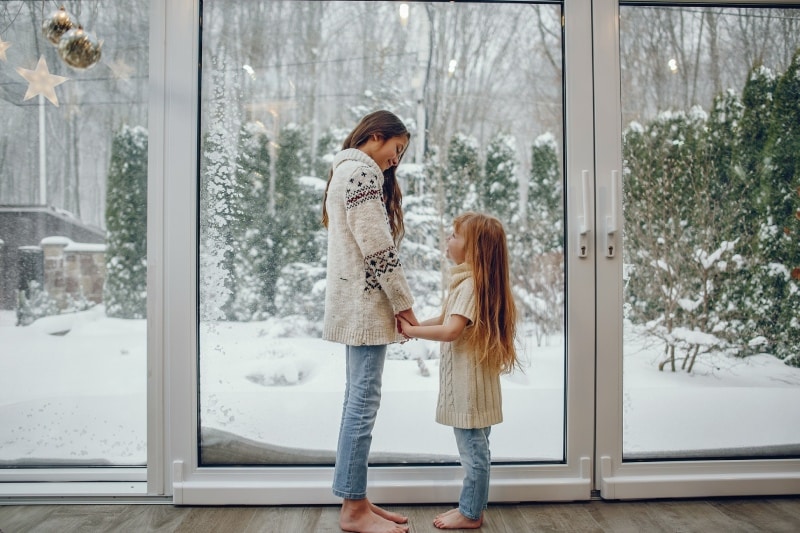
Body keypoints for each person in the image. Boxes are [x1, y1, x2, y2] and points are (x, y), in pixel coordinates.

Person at [321, 110, 419, 533]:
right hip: (365, 307)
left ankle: (355, 497)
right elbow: (377, 248)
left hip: (352, 305)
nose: (396, 161)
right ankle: (353, 508)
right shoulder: (362, 176)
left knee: (355, 402)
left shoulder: (342, 172)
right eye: (396, 150)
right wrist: (403, 303)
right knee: (362, 404)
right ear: (375, 136)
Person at [397, 212, 518, 530]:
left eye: (454, 236)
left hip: (469, 390)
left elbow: (451, 330)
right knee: (479, 449)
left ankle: (471, 512)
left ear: (474, 248)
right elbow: (446, 316)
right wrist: (412, 327)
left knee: (474, 453)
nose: (447, 240)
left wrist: (414, 331)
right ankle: (471, 507)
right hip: (477, 387)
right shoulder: (472, 283)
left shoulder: (470, 286)